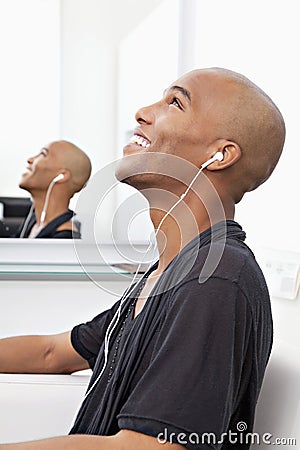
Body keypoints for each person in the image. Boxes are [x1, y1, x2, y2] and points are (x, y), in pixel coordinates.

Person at [0, 68, 285, 449]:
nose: (141, 112)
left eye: (175, 102)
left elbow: (148, 446)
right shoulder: (166, 275)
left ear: (219, 155)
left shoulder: (216, 279)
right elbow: (54, 353)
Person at [16, 140, 92, 238]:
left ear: (61, 176)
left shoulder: (64, 238)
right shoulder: (32, 224)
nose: (30, 159)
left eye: (43, 154)